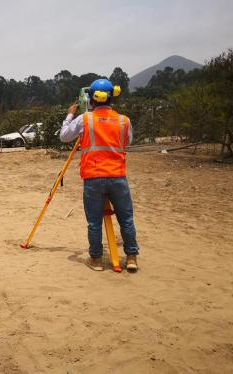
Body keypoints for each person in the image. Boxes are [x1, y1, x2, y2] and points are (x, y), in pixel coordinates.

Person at [59, 79, 139, 272]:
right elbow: (127, 141)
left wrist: (70, 116)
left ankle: (95, 260)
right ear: (112, 98)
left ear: (91, 99)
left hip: (93, 177)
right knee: (126, 219)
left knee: (94, 221)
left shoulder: (84, 119)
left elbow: (64, 136)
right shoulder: (123, 120)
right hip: (118, 176)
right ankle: (131, 258)